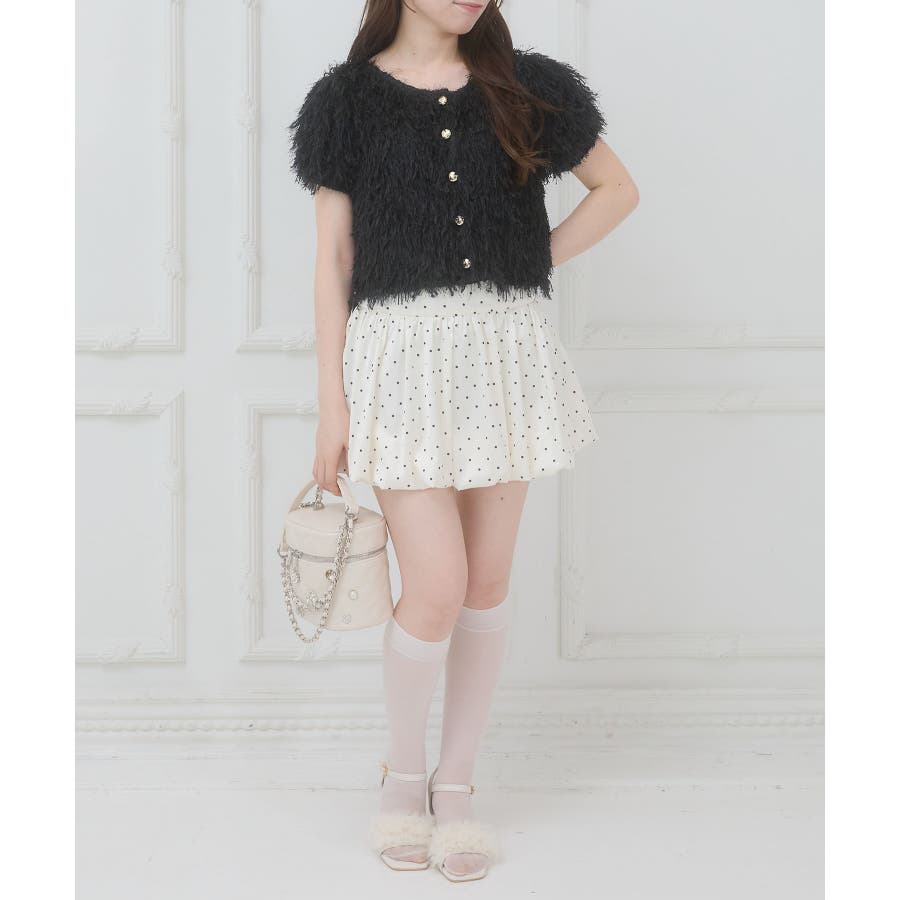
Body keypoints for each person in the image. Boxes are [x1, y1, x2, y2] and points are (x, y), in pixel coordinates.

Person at [288, 0, 638, 883]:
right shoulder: (345, 101)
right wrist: (332, 403)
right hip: (398, 360)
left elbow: (617, 189)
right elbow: (334, 259)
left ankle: (457, 786)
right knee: (436, 586)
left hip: (504, 356)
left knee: (484, 584)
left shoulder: (529, 87)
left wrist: (528, 258)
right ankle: (403, 780)